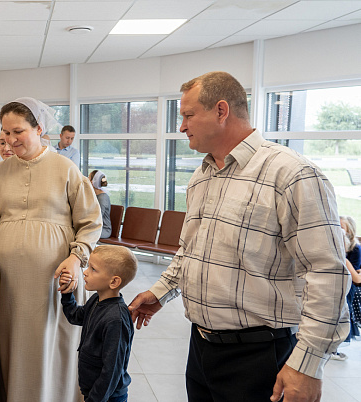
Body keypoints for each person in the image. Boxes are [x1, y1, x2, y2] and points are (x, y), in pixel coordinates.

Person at [127, 72, 349, 402]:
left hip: (260, 356)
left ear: (221, 110)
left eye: (188, 115)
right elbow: (192, 250)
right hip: (201, 348)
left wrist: (307, 365)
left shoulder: (291, 173)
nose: (182, 126)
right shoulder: (202, 177)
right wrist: (161, 292)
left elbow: (327, 272)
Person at [0, 97, 102, 401]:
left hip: (54, 278)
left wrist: (77, 258)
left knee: (48, 346)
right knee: (14, 344)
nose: (11, 140)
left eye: (18, 131)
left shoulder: (66, 169)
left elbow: (91, 222)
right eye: (5, 133)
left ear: (39, 128)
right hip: (9, 281)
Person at [59, 245, 137, 402]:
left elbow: (112, 370)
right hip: (95, 392)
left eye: (93, 269)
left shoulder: (116, 320)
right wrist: (68, 294)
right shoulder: (96, 299)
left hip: (108, 397)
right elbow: (76, 316)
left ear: (114, 281)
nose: (85, 272)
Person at [332, 216, 361, 360]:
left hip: (347, 286)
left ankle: (335, 347)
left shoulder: (354, 249)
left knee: (343, 311)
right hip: (340, 284)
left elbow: (356, 276)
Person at [89, 170, 111, 239]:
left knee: (82, 233)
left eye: (88, 178)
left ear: (92, 182)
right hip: (94, 228)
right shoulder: (93, 195)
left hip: (103, 230)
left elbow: (98, 217)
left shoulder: (103, 197)